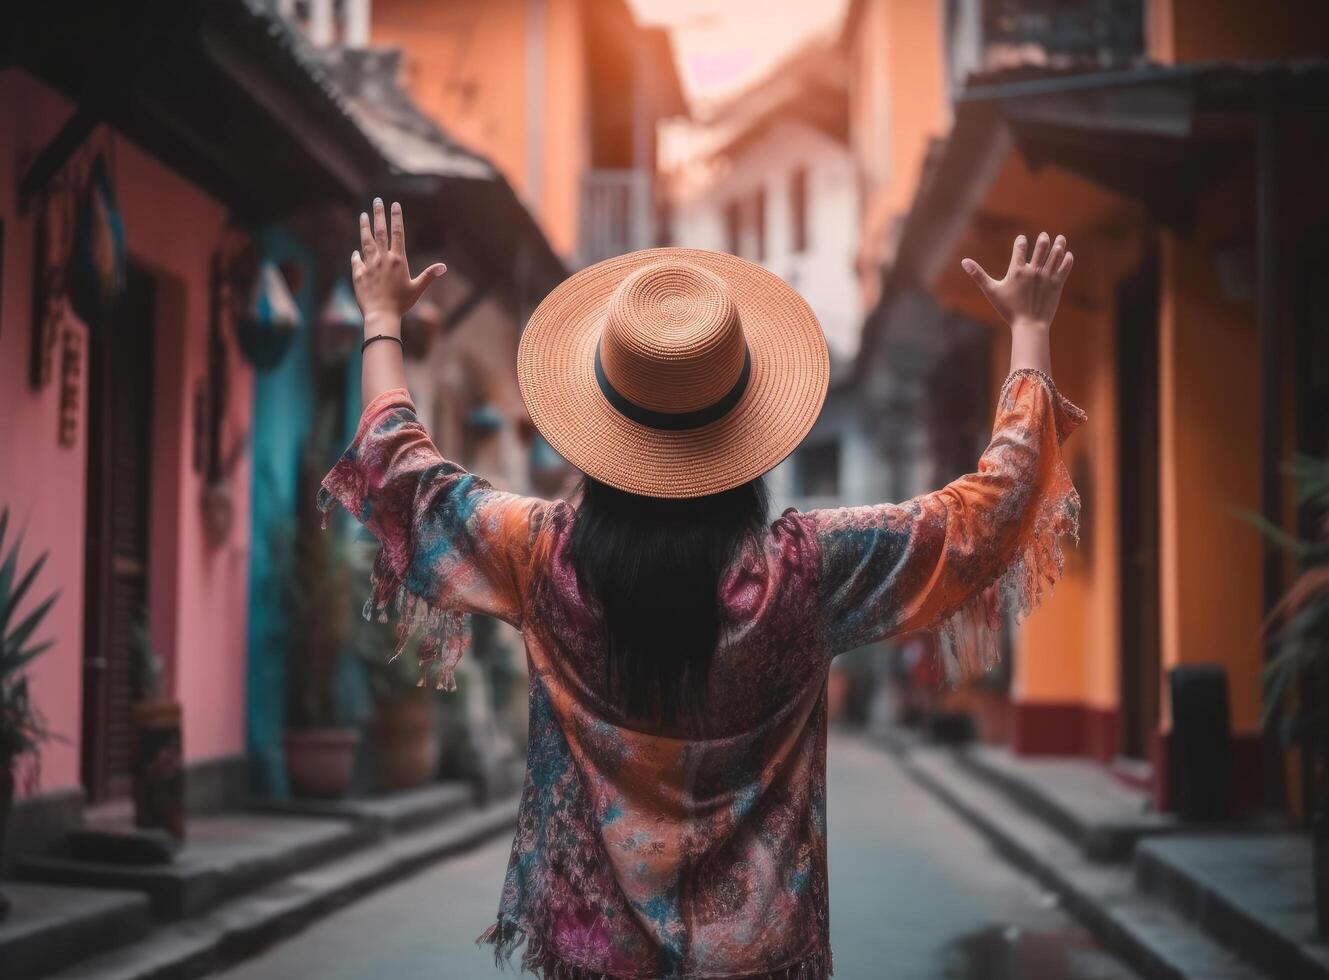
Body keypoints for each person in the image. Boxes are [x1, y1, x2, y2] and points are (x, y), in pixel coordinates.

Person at [320, 199, 1084, 980]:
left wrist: (382, 318)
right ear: (745, 428)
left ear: (603, 429)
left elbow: (401, 474)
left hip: (597, 959)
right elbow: (992, 508)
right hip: (760, 958)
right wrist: (1028, 327)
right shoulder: (807, 571)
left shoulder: (541, 556)